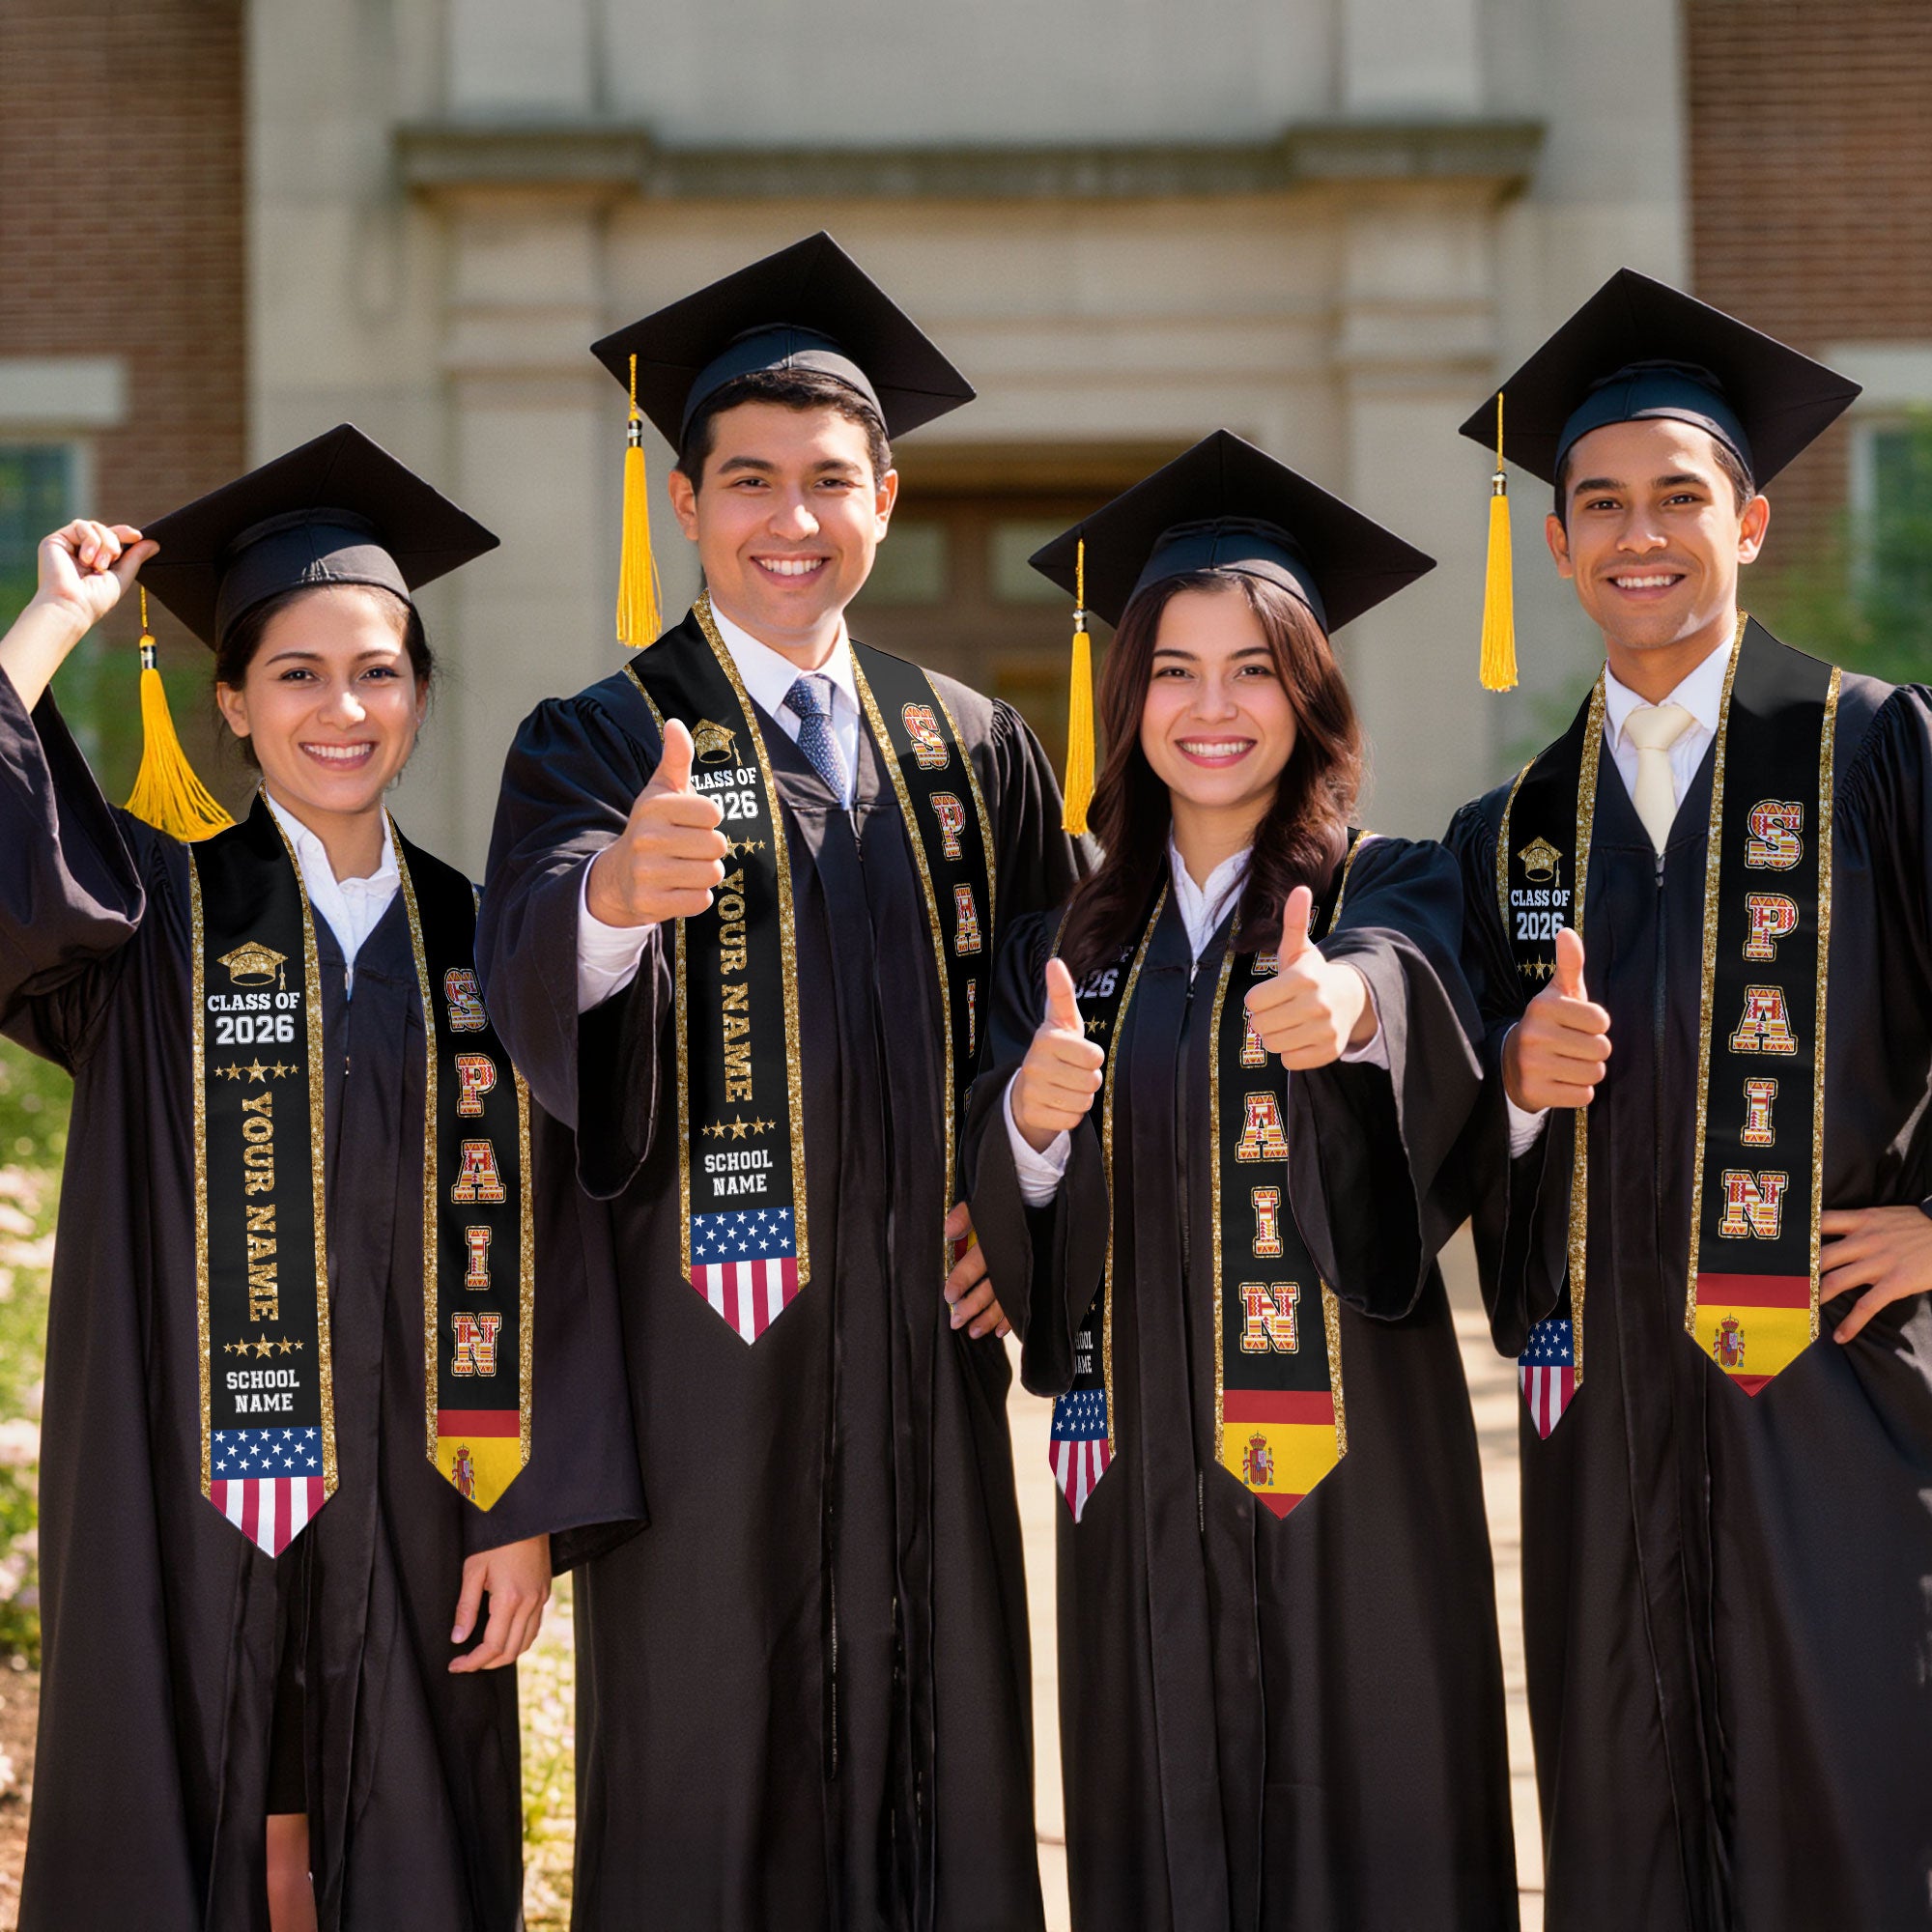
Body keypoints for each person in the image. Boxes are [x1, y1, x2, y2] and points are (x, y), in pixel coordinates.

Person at [479, 233, 1083, 1930]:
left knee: (942, 1751)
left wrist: (1017, 1195)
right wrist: (610, 900)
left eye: (831, 481)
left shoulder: (974, 745)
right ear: (686, 502)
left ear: (886, 496)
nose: (791, 520)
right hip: (704, 1364)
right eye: (750, 481)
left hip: (922, 1354)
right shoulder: (599, 738)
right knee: (708, 1764)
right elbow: (528, 965)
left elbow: (1064, 1008)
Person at [0, 425, 640, 1931]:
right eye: (295, 673)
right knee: (196, 1807)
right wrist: (51, 624)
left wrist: (526, 1506)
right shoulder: (149, 918)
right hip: (183, 1479)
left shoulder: (495, 940)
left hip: (428, 1494)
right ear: (230, 701)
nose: (340, 708)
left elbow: (561, 1239)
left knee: (405, 1831)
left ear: (419, 694)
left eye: (378, 671)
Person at [964, 431, 1518, 1930]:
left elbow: (1414, 988)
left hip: (1358, 1481)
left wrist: (1348, 1013)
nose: (1214, 709)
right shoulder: (1066, 946)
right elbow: (1014, 1208)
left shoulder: (1387, 884)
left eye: (1256, 669)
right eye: (1175, 671)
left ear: (1311, 692)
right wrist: (1027, 1118)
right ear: (1127, 696)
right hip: (1136, 1472)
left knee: (1378, 1827)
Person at [1446, 270, 1932, 1931]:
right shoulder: (1509, 830)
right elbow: (1446, 1129)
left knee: (1853, 1801)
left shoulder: (1873, 750)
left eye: (1678, 497)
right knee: (1624, 1812)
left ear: (1752, 520)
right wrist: (1511, 1088)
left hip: (1836, 1394)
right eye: (1599, 504)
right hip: (1604, 1420)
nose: (1637, 534)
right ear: (1561, 543)